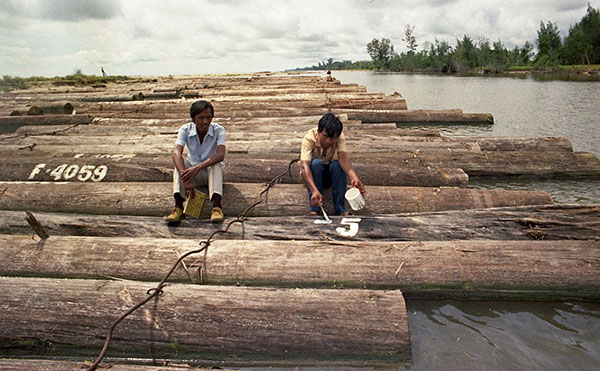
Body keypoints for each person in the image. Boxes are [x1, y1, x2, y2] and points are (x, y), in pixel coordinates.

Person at [165, 100, 226, 223]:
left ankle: (217, 207)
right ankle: (178, 207)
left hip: (210, 174)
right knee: (178, 165)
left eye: (208, 117)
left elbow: (220, 155)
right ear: (193, 118)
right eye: (201, 118)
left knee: (216, 165)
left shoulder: (218, 130)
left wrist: (198, 167)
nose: (205, 121)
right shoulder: (185, 129)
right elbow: (176, 153)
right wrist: (184, 176)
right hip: (192, 174)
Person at [300, 112, 365, 215]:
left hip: (328, 174)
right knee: (316, 163)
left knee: (337, 165)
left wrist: (354, 178)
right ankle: (315, 210)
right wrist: (314, 190)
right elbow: (304, 167)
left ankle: (340, 210)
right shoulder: (309, 138)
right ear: (319, 131)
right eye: (325, 136)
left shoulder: (339, 137)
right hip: (312, 175)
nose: (328, 141)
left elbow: (343, 158)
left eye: (332, 138)